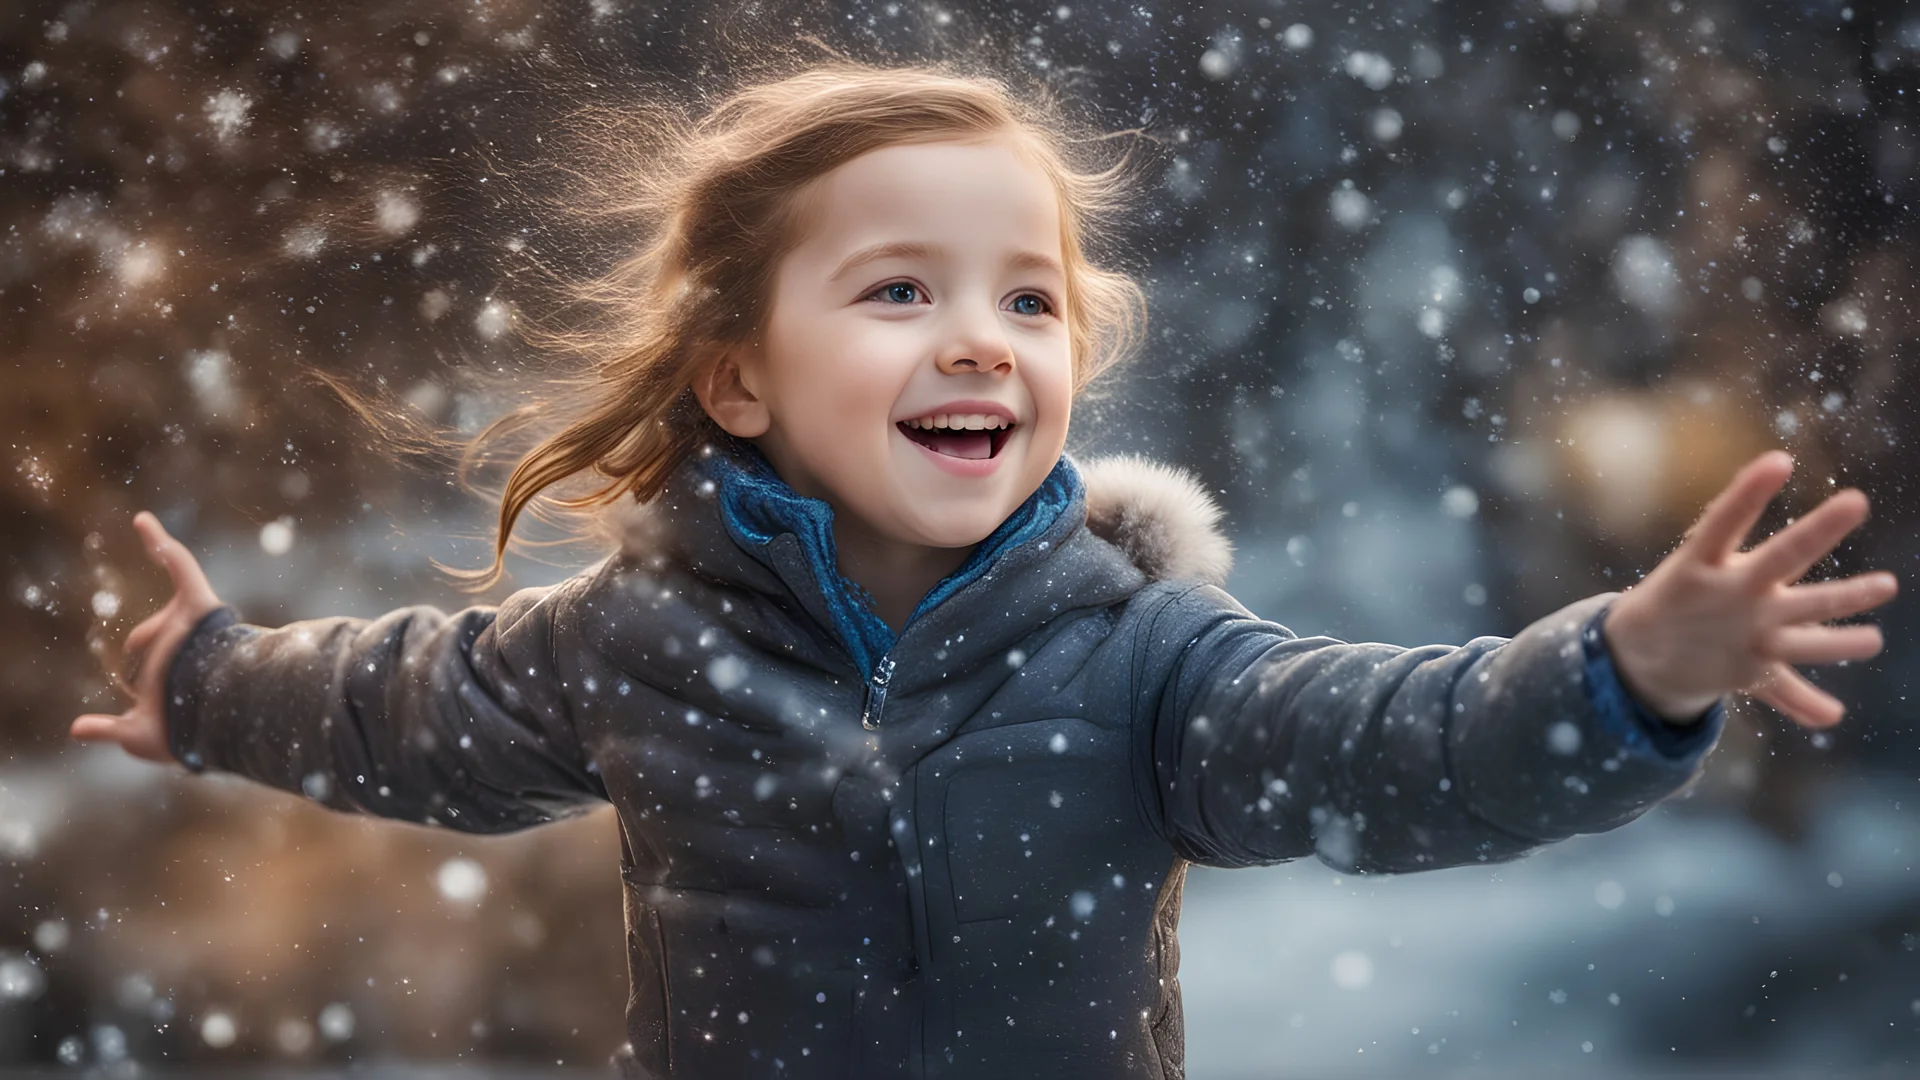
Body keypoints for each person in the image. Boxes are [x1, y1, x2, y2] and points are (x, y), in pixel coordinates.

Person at [70, 61, 1897, 1079]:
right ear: (735, 376)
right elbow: (412, 712)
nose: (979, 340)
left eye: (1028, 298)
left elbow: (1392, 745)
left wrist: (1623, 672)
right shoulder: (635, 639)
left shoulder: (1148, 660)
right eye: (898, 291)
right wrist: (211, 680)